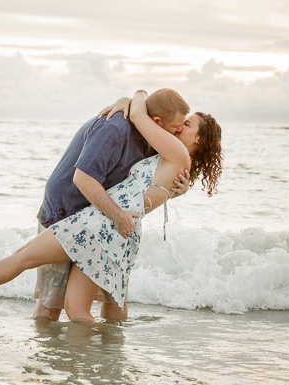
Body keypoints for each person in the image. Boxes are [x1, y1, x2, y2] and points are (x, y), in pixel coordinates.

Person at [0, 91, 223, 324]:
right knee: (78, 309)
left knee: (27, 262)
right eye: (181, 122)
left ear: (198, 141)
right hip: (108, 225)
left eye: (188, 124)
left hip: (102, 224)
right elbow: (148, 183)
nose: (181, 126)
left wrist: (135, 97)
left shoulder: (178, 153)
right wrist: (131, 98)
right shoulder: (166, 152)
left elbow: (142, 117)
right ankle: (100, 362)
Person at [33, 88, 192, 323]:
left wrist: (176, 190)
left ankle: (109, 357)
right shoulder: (114, 128)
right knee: (51, 305)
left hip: (101, 218)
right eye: (177, 127)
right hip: (65, 210)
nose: (179, 132)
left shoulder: (154, 137)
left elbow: (142, 190)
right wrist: (117, 215)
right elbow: (82, 178)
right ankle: (50, 355)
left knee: (114, 299)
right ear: (157, 121)